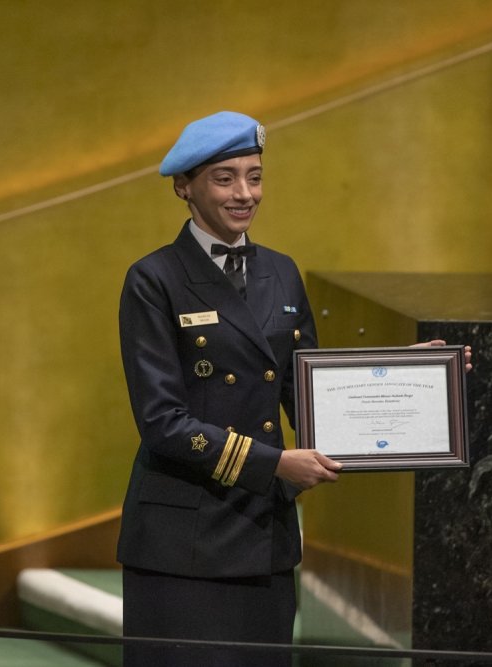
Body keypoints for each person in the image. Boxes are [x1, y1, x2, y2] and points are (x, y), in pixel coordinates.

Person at [117, 111, 470, 666]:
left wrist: (407, 375)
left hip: (264, 536)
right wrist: (275, 464)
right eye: (225, 177)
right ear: (183, 187)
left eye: (255, 176)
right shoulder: (153, 279)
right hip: (183, 544)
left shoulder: (281, 272)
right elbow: (163, 422)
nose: (245, 194)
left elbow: (306, 390)